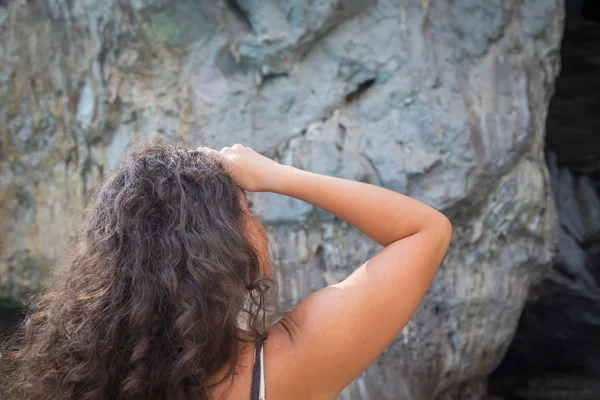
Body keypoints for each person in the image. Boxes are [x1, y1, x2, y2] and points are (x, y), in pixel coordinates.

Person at [1, 143, 452, 400]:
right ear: (215, 247)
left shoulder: (78, 379)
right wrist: (277, 174)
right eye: (247, 208)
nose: (259, 222)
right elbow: (425, 231)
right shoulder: (280, 371)